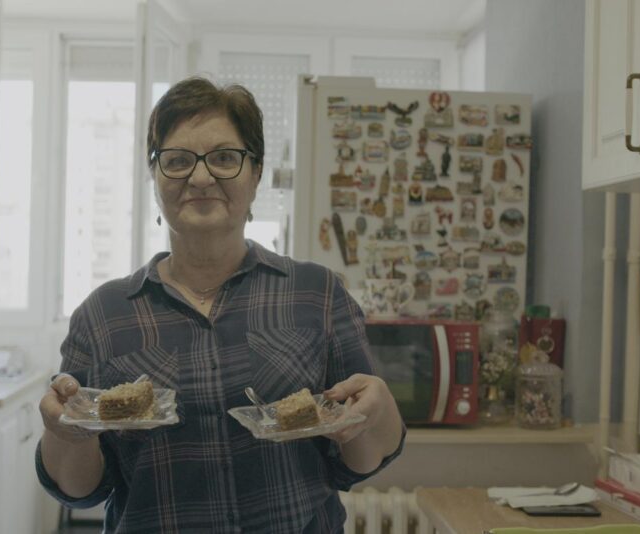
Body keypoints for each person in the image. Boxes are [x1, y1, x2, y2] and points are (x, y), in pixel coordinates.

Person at [36, 76, 405, 533]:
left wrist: (379, 405)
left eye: (225, 158)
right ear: (154, 177)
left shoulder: (317, 293)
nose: (201, 177)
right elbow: (80, 489)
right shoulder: (104, 314)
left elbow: (361, 462)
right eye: (177, 161)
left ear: (255, 175)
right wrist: (64, 431)